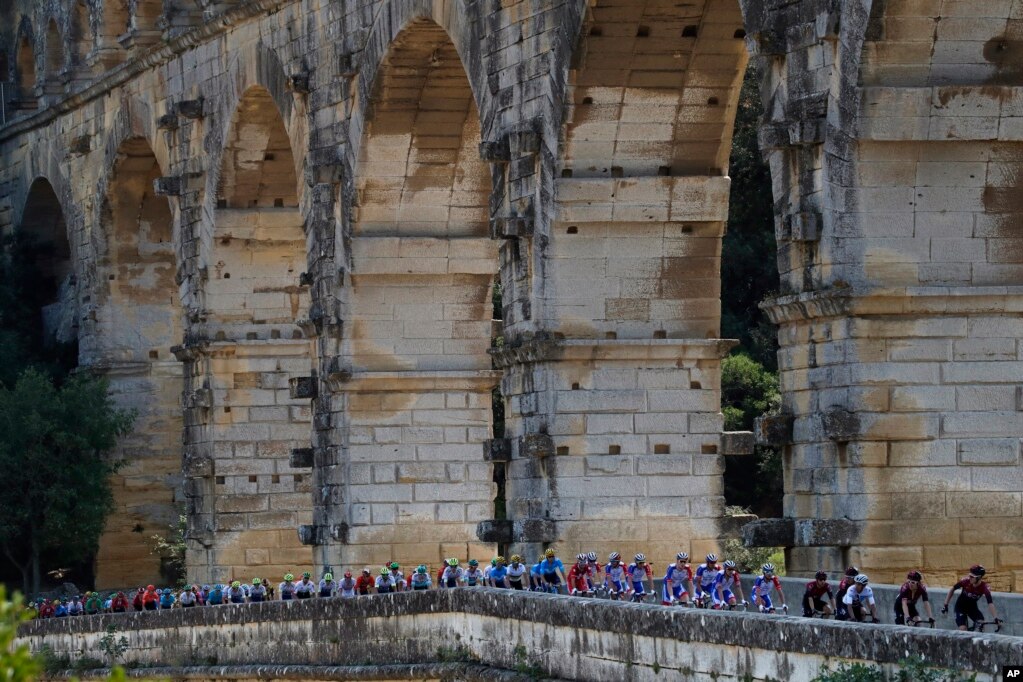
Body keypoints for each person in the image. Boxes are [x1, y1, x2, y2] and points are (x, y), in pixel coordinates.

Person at [942, 564, 1000, 631]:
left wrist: (995, 618)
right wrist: (946, 604)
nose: (970, 578)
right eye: (970, 575)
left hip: (972, 608)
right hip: (960, 608)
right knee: (963, 629)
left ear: (979, 577)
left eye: (972, 576)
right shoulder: (966, 581)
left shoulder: (984, 587)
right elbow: (952, 589)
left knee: (981, 625)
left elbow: (990, 603)